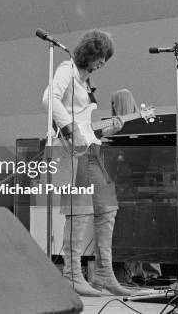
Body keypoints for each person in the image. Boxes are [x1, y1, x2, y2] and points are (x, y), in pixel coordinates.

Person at [42, 30, 130, 297]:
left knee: (107, 207)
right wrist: (70, 129)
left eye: (106, 59)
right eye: (101, 56)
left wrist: (109, 128)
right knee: (78, 210)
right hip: (69, 148)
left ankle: (104, 273)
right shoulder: (66, 69)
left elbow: (87, 126)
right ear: (90, 53)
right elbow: (49, 99)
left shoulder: (85, 82)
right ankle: (71, 275)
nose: (103, 62)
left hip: (89, 148)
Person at [110, 89, 162, 283]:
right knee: (142, 233)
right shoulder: (140, 128)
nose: (112, 108)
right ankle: (148, 275)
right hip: (136, 191)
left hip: (129, 191)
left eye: (114, 104)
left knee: (131, 233)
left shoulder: (125, 132)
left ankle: (136, 275)